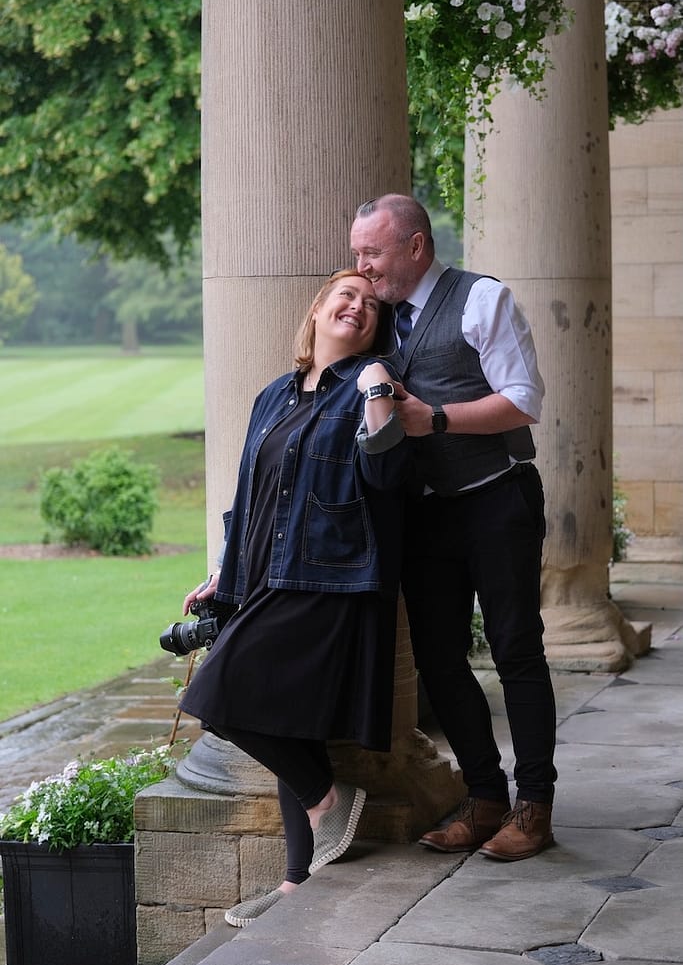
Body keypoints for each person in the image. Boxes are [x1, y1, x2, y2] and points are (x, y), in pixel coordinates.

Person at [177, 270, 410, 926]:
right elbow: (252, 491)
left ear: (378, 329)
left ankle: (325, 798)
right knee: (287, 722)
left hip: (329, 577)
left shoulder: (369, 387)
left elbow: (387, 472)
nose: (356, 306)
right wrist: (226, 569)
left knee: (215, 695)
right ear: (316, 310)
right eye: (345, 294)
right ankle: (294, 880)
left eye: (369, 304)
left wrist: (378, 390)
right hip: (264, 574)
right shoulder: (274, 395)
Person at [349, 194, 557, 862]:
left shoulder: (480, 299)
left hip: (496, 501)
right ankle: (484, 796)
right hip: (425, 512)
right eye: (357, 252)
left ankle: (534, 807)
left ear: (414, 246)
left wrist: (434, 418)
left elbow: (523, 401)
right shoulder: (373, 318)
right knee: (438, 661)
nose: (361, 267)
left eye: (371, 252)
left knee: (515, 650)